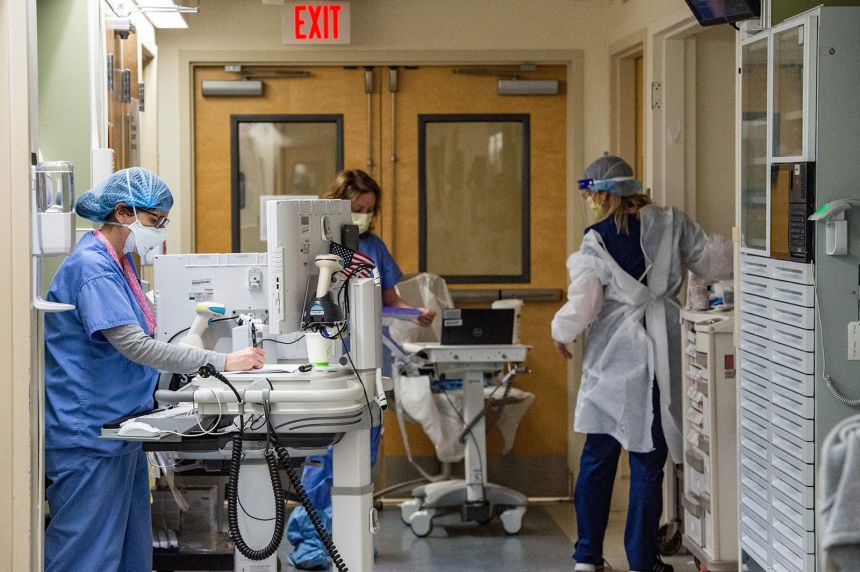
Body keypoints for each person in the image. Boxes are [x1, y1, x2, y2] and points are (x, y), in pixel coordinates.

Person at [43, 167, 265, 572]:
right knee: (86, 557)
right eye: (154, 221)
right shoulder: (92, 267)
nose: (160, 230)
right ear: (124, 212)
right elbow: (134, 345)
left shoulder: (119, 264)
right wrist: (223, 362)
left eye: (164, 221)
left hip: (118, 430)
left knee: (130, 555)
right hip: (88, 434)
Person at [551, 156, 732, 572]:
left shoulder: (595, 238)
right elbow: (715, 260)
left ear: (601, 194)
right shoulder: (672, 223)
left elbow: (586, 301)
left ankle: (586, 558)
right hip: (662, 351)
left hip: (614, 356)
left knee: (598, 455)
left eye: (591, 195)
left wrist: (560, 332)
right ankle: (641, 562)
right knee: (649, 458)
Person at [286, 169, 435, 570]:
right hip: (327, 358)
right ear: (338, 204)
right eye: (356, 208)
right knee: (325, 458)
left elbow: (388, 300)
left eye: (369, 210)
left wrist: (414, 314)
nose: (363, 216)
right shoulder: (319, 244)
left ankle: (350, 536)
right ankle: (313, 540)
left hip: (369, 364)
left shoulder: (373, 248)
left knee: (360, 457)